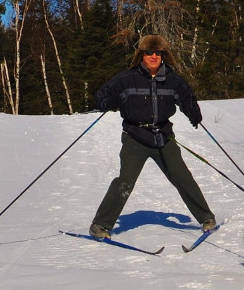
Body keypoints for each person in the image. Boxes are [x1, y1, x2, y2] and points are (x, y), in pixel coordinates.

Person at [89, 34, 216, 240]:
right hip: (135, 137)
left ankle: (206, 218)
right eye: (149, 52)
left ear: (164, 55)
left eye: (158, 52)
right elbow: (101, 95)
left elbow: (187, 98)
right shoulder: (126, 78)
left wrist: (193, 112)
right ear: (142, 55)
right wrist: (108, 101)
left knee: (181, 176)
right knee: (125, 181)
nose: (154, 56)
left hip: (163, 137)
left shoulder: (173, 81)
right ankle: (100, 225)